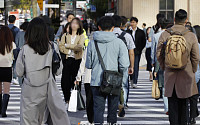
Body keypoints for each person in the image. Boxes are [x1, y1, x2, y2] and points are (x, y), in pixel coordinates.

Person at [16, 17, 70, 125]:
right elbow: (59, 71)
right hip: (47, 88)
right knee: (45, 120)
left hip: (29, 90)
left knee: (28, 120)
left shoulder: (25, 49)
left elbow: (19, 72)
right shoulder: (52, 47)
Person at [156, 9, 199, 125]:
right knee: (184, 104)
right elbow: (195, 57)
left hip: (170, 74)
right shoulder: (191, 35)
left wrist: (164, 66)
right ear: (186, 20)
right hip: (186, 73)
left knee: (172, 105)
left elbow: (159, 54)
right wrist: (193, 70)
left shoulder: (165, 34)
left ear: (174, 19)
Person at [85, 16, 129, 125]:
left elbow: (89, 65)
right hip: (114, 81)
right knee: (112, 110)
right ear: (113, 28)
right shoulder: (119, 43)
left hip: (97, 81)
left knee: (98, 109)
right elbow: (124, 65)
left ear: (99, 27)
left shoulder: (92, 43)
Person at [59, 18, 85, 103]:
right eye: (72, 23)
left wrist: (67, 45)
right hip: (67, 59)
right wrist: (70, 49)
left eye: (76, 24)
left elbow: (80, 47)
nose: (74, 25)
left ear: (79, 26)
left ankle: (76, 99)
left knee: (76, 80)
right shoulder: (65, 35)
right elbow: (61, 47)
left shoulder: (81, 36)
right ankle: (67, 98)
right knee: (64, 81)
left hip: (77, 60)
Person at [112, 15, 135, 112]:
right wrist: (132, 66)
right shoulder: (127, 36)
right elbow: (131, 53)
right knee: (124, 84)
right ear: (121, 24)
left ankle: (114, 102)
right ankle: (123, 103)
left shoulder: (108, 35)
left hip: (111, 63)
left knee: (112, 83)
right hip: (124, 63)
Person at [152, 17, 169, 114]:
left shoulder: (156, 36)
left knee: (163, 87)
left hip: (162, 63)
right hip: (173, 64)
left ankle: (167, 108)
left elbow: (155, 52)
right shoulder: (172, 35)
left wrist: (154, 65)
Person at [0, 26, 16, 117]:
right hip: (7, 68)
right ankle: (3, 111)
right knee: (6, 91)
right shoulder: (12, 44)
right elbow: (14, 56)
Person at [74, 48, 93, 124]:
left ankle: (91, 120)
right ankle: (97, 119)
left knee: (89, 101)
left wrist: (78, 77)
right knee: (99, 102)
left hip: (89, 78)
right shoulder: (107, 46)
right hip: (101, 79)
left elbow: (83, 62)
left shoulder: (89, 46)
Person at [126, 17, 146, 88]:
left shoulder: (141, 32)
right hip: (129, 51)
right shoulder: (127, 32)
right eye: (131, 22)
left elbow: (144, 42)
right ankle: (131, 79)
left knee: (136, 66)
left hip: (137, 51)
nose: (132, 24)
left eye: (134, 22)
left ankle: (135, 81)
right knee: (130, 65)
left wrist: (140, 49)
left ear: (137, 23)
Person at [8, 15, 20, 85]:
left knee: (7, 63)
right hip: (14, 46)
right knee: (15, 62)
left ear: (8, 20)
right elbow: (17, 39)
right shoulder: (16, 29)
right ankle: (14, 77)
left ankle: (8, 76)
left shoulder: (4, 28)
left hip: (6, 47)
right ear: (15, 21)